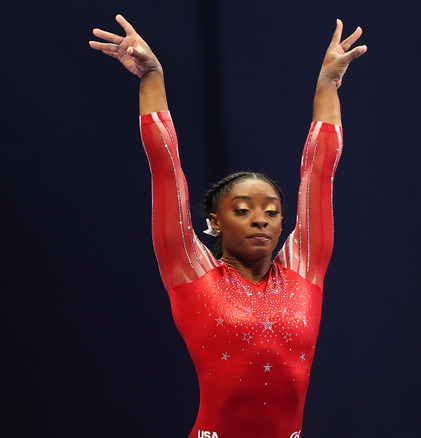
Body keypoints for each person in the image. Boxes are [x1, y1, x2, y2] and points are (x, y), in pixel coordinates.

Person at [89, 14, 366, 438]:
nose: (261, 219)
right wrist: (152, 76)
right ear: (214, 221)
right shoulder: (192, 273)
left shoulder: (303, 268)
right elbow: (166, 169)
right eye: (243, 210)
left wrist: (327, 85)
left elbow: (320, 171)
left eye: (272, 211)